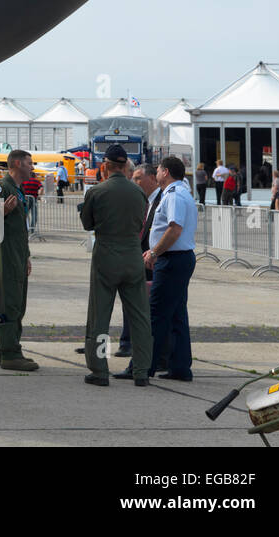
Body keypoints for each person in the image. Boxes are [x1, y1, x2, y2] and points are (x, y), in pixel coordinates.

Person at [80, 145, 152, 386]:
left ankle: (99, 369)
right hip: (133, 255)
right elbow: (141, 222)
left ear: (105, 165)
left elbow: (87, 224)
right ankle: (141, 371)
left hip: (106, 256)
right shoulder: (139, 192)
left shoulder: (97, 191)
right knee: (140, 317)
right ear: (125, 166)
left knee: (100, 316)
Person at [122, 156, 198, 382]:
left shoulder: (174, 195)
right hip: (179, 259)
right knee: (176, 316)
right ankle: (180, 367)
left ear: (166, 172)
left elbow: (174, 230)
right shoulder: (179, 192)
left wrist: (154, 252)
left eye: (159, 170)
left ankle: (142, 366)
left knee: (155, 315)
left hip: (172, 260)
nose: (156, 173)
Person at [0, 150, 37, 371]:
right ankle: (10, 354)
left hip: (17, 252)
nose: (32, 167)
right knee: (8, 301)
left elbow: (21, 229)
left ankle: (6, 349)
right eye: (29, 163)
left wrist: (26, 256)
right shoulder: (1, 186)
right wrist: (2, 211)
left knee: (18, 302)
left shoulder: (17, 190)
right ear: (17, 163)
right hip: (5, 252)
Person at [115, 163, 161, 362]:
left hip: (153, 261)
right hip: (138, 259)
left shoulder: (161, 199)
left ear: (151, 178)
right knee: (130, 301)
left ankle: (143, 347)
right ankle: (127, 342)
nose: (134, 182)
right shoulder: (143, 200)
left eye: (137, 178)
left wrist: (154, 253)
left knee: (149, 306)